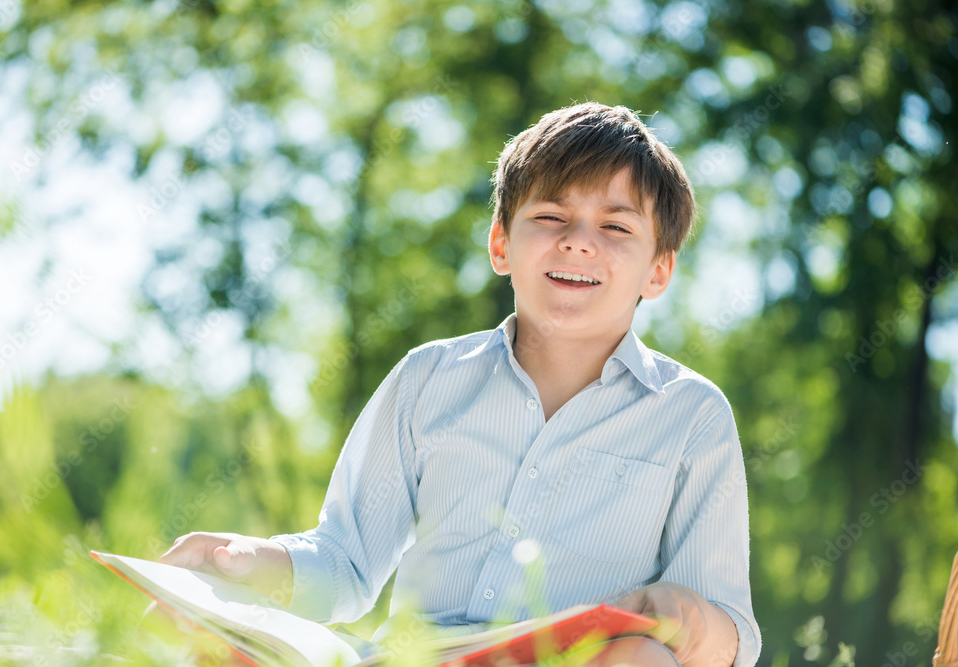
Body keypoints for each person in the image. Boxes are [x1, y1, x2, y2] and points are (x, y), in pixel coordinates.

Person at [160, 102, 761, 666]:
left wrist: (694, 619)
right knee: (215, 635)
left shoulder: (691, 414)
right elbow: (344, 563)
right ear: (501, 243)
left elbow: (734, 630)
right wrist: (245, 562)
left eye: (616, 227)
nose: (579, 241)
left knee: (645, 659)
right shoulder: (428, 379)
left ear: (658, 269)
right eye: (551, 217)